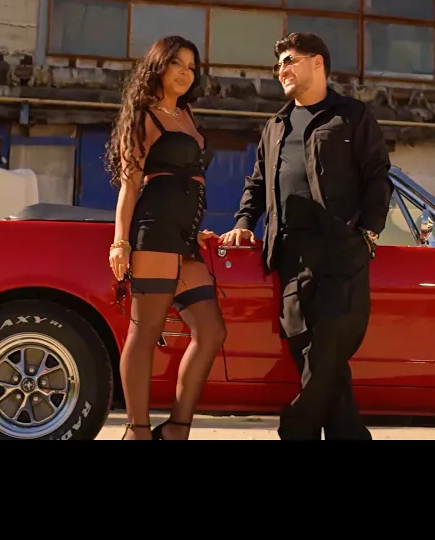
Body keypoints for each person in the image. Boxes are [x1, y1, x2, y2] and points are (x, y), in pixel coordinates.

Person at [218, 31, 392, 440]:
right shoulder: (275, 126)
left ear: (318, 63)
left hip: (340, 255)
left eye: (290, 60)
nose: (282, 70)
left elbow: (377, 174)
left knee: (328, 346)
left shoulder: (351, 115)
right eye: (278, 64)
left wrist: (369, 229)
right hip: (289, 255)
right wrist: (243, 223)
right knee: (312, 354)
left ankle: (296, 428)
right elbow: (257, 183)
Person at [105, 35, 226, 441]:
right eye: (178, 64)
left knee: (211, 332)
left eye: (191, 67)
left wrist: (194, 226)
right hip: (154, 232)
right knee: (144, 333)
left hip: (185, 238)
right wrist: (120, 242)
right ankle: (137, 431)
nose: (185, 73)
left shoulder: (187, 114)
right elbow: (130, 186)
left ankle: (177, 428)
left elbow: (190, 179)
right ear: (159, 65)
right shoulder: (145, 117)